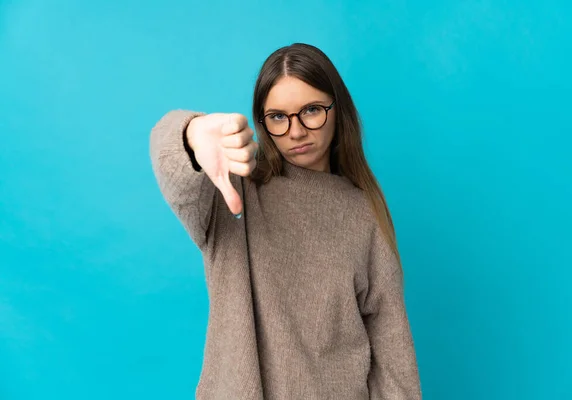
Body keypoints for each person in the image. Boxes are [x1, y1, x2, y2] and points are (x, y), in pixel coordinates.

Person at [150, 43, 421, 400]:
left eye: (311, 110)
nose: (295, 132)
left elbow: (392, 351)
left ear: (338, 109)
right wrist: (193, 135)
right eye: (278, 117)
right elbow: (167, 150)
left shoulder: (363, 211)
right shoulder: (234, 188)